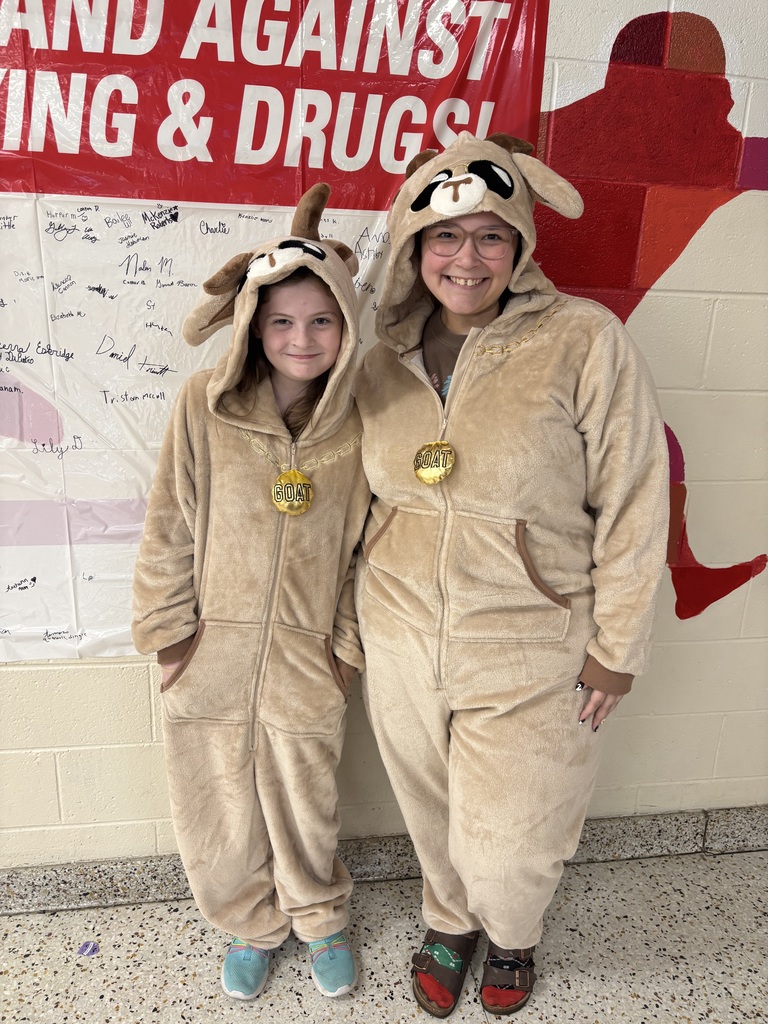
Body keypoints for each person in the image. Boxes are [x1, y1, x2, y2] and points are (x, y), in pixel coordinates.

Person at [354, 132, 669, 1016]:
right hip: (401, 631)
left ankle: (514, 933)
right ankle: (449, 921)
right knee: (429, 808)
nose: (467, 258)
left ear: (522, 243)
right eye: (446, 236)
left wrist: (618, 649)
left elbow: (635, 495)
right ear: (415, 246)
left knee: (513, 841)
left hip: (532, 641)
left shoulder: (583, 339)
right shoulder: (378, 359)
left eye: (491, 235)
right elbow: (350, 504)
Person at [132, 184, 370, 1002]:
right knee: (219, 798)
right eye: (281, 322)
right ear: (253, 327)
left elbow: (367, 553)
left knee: (307, 797)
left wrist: (343, 652)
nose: (301, 339)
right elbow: (169, 521)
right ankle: (249, 923)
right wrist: (171, 637)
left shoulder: (362, 423)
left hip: (310, 651)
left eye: (321, 321)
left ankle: (320, 918)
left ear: (346, 324)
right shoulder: (203, 406)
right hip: (211, 648)